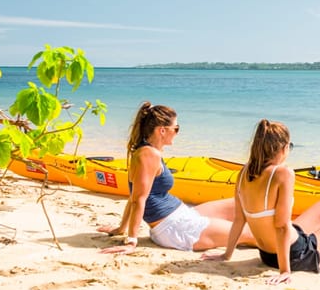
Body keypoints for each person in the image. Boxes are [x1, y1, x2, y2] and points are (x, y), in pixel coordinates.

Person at [203, 119, 320, 284]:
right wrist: (285, 271)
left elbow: (239, 220)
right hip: (297, 256)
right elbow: (282, 226)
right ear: (283, 148)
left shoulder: (244, 173)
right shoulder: (283, 174)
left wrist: (226, 255)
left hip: (267, 255)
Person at [98, 102, 257, 255]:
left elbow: (134, 195)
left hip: (182, 216)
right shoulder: (148, 155)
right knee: (252, 235)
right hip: (176, 229)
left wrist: (121, 228)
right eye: (176, 128)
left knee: (241, 203)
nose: (177, 132)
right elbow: (138, 199)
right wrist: (131, 241)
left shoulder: (148, 151)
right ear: (162, 130)